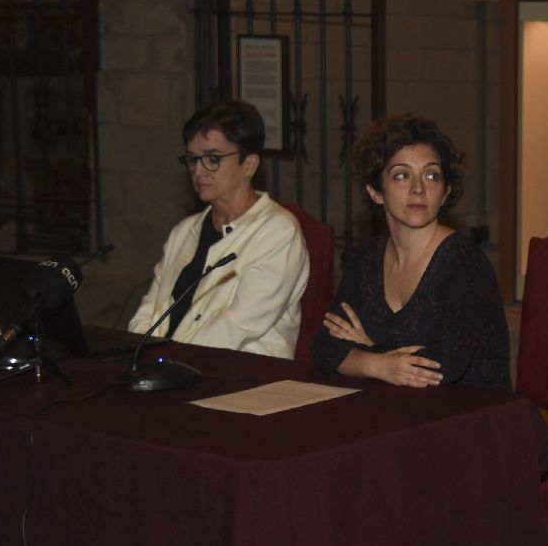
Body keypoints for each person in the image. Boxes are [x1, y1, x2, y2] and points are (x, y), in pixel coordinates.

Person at [312, 114, 508, 390]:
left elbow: (439, 369)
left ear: (445, 191)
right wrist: (380, 365)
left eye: (431, 176)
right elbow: (325, 347)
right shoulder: (365, 258)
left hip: (467, 418)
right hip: (395, 409)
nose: (418, 189)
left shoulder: (464, 263)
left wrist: (368, 348)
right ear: (376, 192)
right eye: (402, 175)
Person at [129, 100, 309, 358]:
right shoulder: (184, 230)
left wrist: (167, 359)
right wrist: (138, 352)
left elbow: (237, 325)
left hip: (245, 380)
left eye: (213, 159)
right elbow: (151, 309)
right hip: (172, 369)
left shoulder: (278, 231)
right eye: (193, 160)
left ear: (249, 164)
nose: (199, 171)